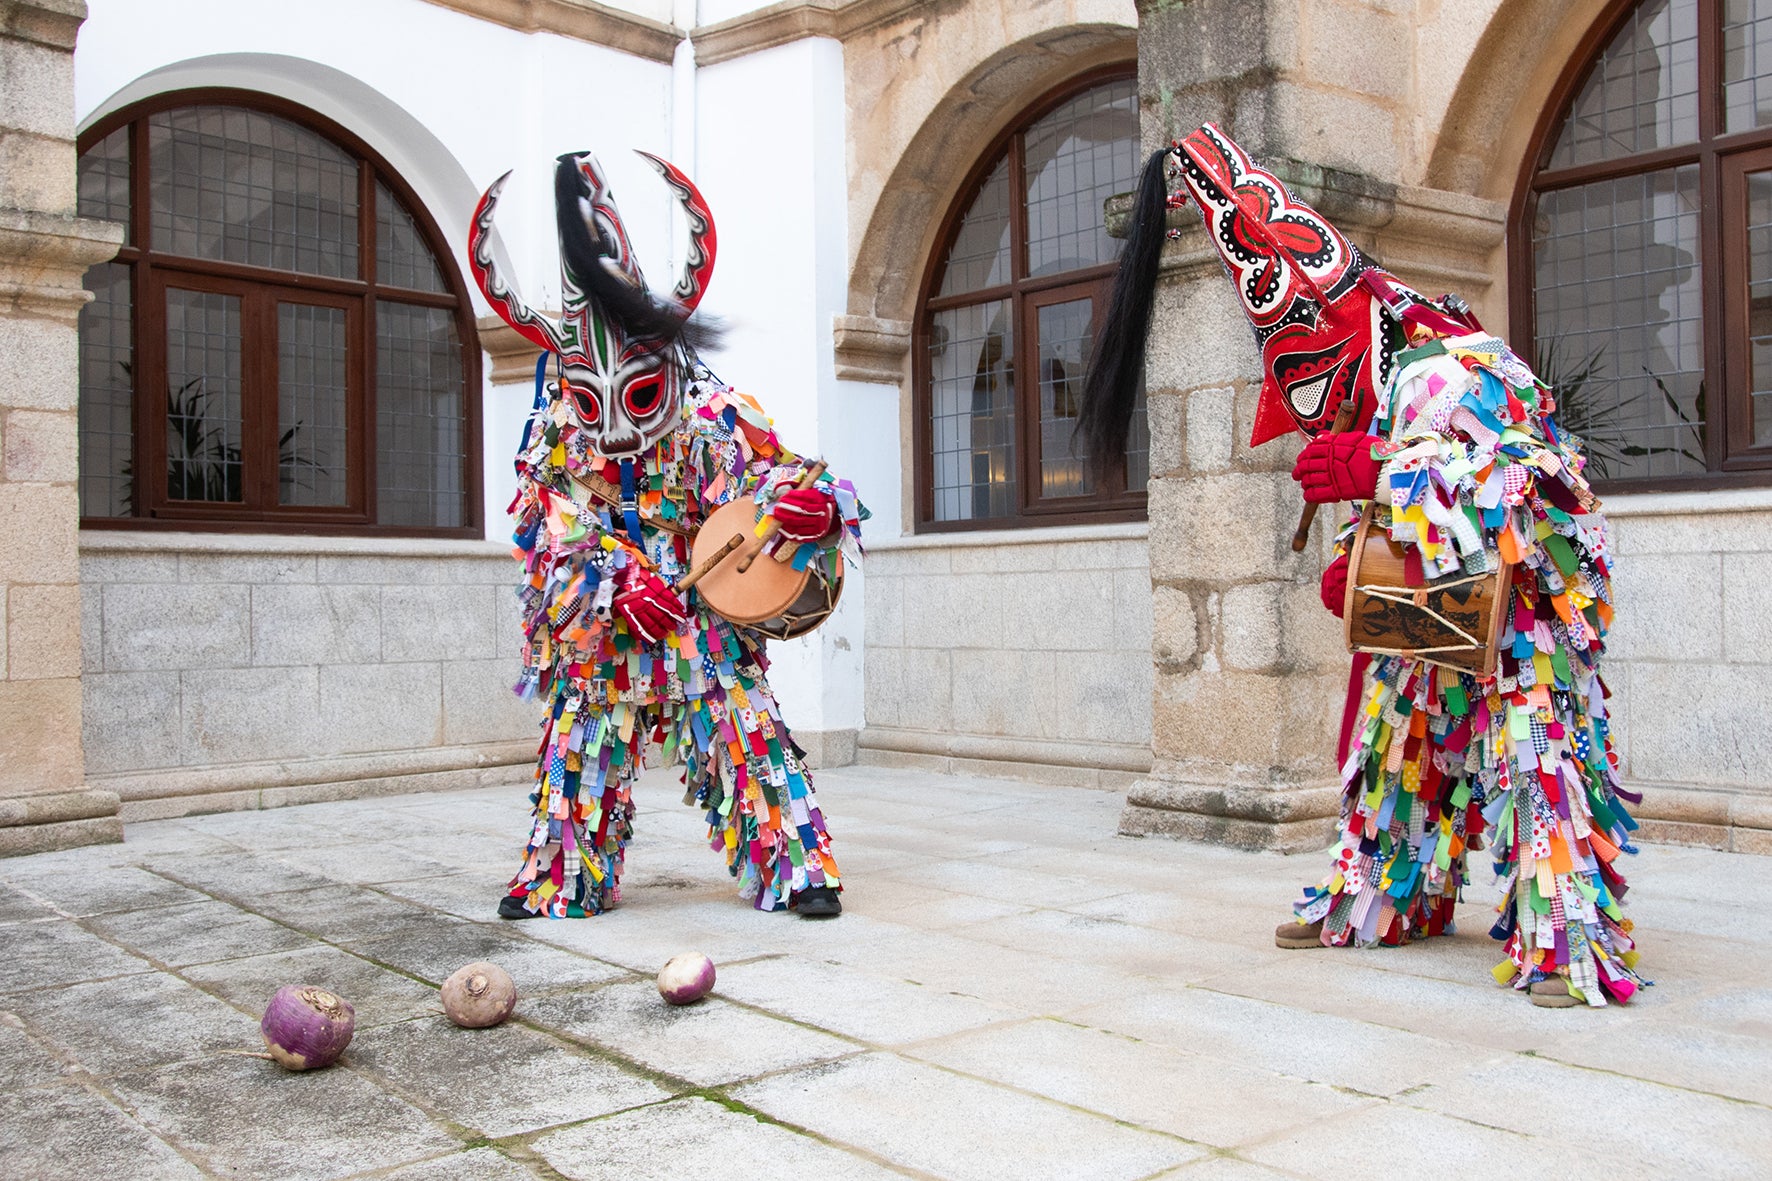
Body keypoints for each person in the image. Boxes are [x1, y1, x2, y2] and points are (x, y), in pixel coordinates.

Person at [1081, 124, 1644, 1007]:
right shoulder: (1386, 383)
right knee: (1392, 752)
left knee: (1537, 759)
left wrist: (1374, 470)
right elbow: (1402, 510)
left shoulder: (1468, 365)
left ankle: (1565, 938)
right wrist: (1357, 550)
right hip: (1423, 609)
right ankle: (1386, 899)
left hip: (1523, 622)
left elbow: (1532, 480)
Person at [469, 150, 863, 920]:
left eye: (639, 395)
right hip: (609, 629)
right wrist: (614, 584)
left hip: (700, 616)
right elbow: (546, 533)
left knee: (736, 714)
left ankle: (796, 864)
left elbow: (777, 480)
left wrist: (810, 508)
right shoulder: (554, 436)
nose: (615, 428)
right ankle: (564, 875)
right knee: (582, 731)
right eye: (592, 402)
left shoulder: (710, 417)